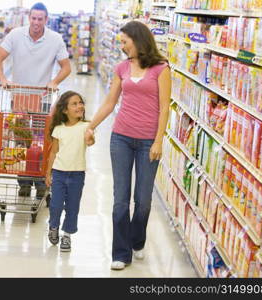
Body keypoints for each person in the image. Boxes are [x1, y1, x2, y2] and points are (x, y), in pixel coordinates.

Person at [84, 21, 171, 270]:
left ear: (138, 39)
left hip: (147, 143)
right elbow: (110, 102)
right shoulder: (121, 67)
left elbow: (165, 107)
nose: (121, 46)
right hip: (120, 137)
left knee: (142, 200)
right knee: (120, 198)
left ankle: (137, 240)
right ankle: (120, 253)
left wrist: (158, 140)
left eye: (124, 41)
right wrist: (91, 125)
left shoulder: (160, 69)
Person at [0, 2, 72, 198]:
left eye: (40, 19)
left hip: (44, 100)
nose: (36, 22)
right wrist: (3, 79)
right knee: (22, 143)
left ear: (46, 20)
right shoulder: (16, 35)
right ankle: (24, 183)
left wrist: (54, 81)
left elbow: (66, 67)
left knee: (42, 143)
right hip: (19, 98)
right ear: (29, 18)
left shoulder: (55, 39)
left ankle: (41, 181)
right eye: (33, 18)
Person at [46, 91, 94, 252]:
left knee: (73, 207)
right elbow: (53, 152)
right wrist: (48, 173)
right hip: (59, 173)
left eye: (80, 102)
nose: (79, 106)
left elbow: (91, 141)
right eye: (74, 104)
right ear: (65, 110)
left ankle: (67, 235)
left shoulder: (86, 126)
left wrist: (90, 138)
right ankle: (53, 226)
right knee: (56, 205)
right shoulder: (58, 129)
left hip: (77, 174)